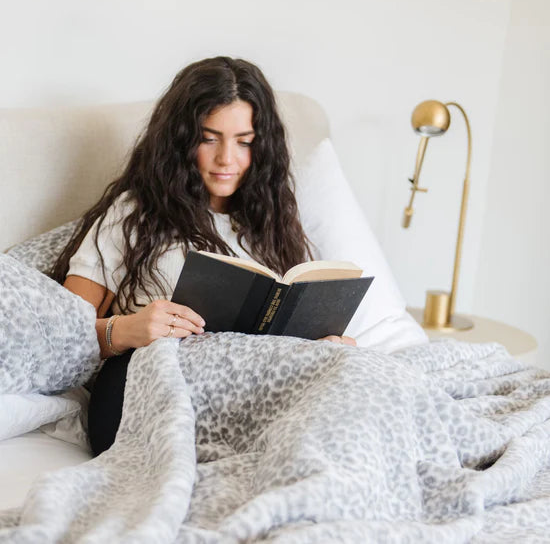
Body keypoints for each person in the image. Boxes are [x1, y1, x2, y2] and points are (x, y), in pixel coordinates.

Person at [51, 56, 355, 456]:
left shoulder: (274, 226)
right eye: (209, 138)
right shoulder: (133, 214)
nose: (226, 158)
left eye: (244, 141)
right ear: (180, 140)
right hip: (150, 381)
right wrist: (126, 329)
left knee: (359, 380)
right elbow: (59, 336)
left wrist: (325, 350)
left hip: (253, 388)